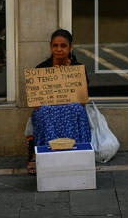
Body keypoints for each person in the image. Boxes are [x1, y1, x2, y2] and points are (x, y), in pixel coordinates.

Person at [25, 29, 91, 175]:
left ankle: (77, 155)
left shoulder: (77, 69)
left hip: (71, 107)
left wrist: (66, 75)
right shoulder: (41, 69)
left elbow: (82, 101)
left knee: (75, 109)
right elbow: (36, 103)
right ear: (50, 46)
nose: (59, 50)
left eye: (63, 46)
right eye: (55, 46)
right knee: (44, 111)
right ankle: (43, 156)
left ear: (70, 47)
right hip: (47, 108)